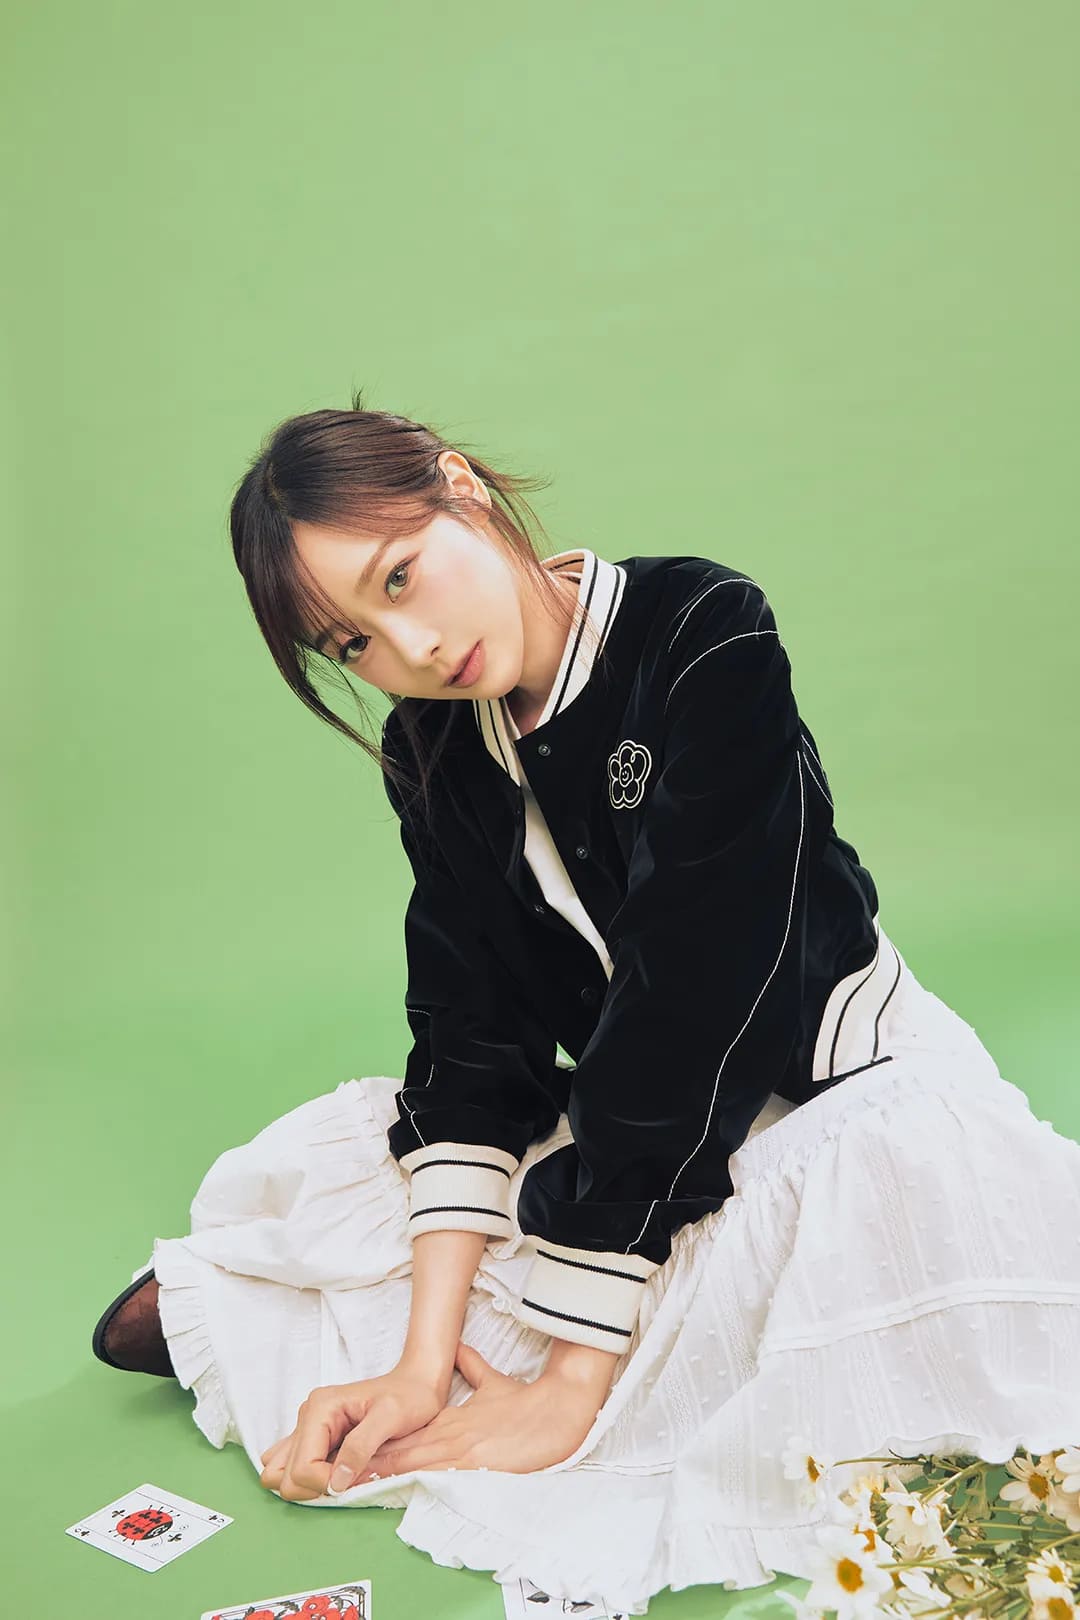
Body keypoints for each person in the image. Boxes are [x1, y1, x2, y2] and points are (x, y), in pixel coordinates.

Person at [91, 400, 1080, 1613]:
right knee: (373, 1185)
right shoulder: (433, 746)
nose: (413, 646)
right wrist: (418, 1369)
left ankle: (595, 1346)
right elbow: (472, 1032)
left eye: (401, 576)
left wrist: (569, 1382)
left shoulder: (701, 628)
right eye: (355, 643)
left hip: (838, 1107)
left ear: (459, 486)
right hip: (630, 1117)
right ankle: (441, 1331)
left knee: (721, 1379)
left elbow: (696, 996)